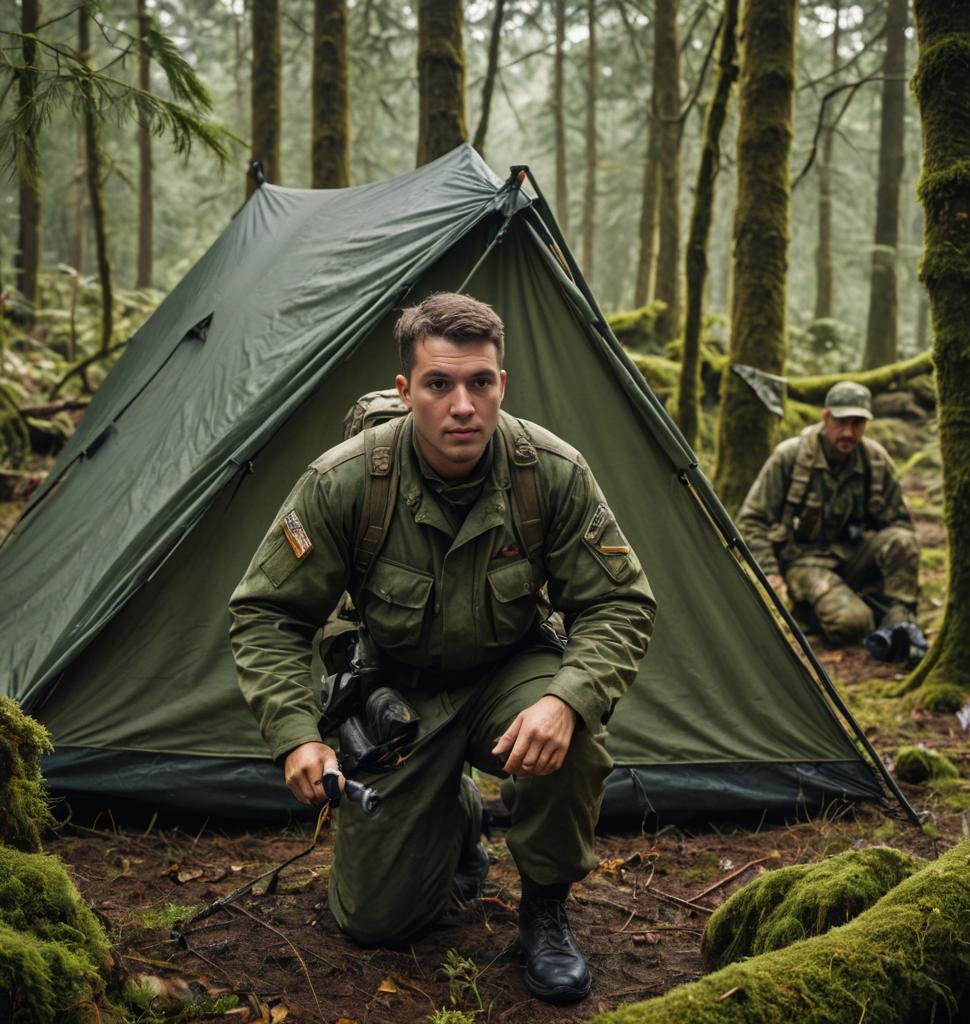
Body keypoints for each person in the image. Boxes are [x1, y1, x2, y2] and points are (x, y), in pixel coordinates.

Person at [228, 293, 656, 1004]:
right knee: (375, 923)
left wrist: (565, 699)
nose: (463, 405)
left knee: (574, 736)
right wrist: (296, 738)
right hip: (401, 695)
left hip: (510, 675)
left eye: (480, 383)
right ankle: (456, 817)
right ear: (406, 392)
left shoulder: (549, 473)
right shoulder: (344, 482)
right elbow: (265, 614)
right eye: (439, 385)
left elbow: (619, 602)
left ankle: (545, 910)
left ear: (501, 385)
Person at [736, 380, 920, 649]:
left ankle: (900, 618)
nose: (848, 432)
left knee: (903, 539)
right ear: (826, 417)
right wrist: (770, 573)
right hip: (803, 563)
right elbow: (751, 520)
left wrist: (898, 604)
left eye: (857, 423)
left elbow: (899, 523)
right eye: (841, 421)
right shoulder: (790, 456)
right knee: (854, 623)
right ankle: (808, 613)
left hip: (852, 558)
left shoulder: (875, 461)